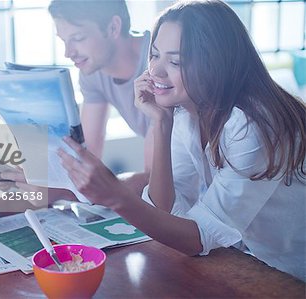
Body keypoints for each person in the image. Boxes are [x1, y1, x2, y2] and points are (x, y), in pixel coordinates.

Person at [58, 0, 306, 281]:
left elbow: (197, 238)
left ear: (215, 62)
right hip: (257, 259)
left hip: (294, 270)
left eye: (175, 61)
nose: (157, 71)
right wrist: (160, 124)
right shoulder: (186, 112)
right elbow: (165, 208)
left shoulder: (249, 125)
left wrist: (117, 198)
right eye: (154, 55)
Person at [48, 0, 153, 192]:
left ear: (113, 27)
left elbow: (153, 179)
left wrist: (92, 189)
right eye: (64, 40)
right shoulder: (93, 72)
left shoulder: (159, 62)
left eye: (78, 38)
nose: (68, 53)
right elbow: (85, 156)